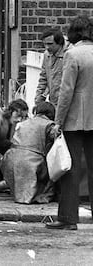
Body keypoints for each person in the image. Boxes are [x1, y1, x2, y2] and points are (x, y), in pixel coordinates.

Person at [46, 15, 93, 230]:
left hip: (75, 119)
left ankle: (68, 218)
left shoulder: (72, 55)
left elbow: (66, 92)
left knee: (71, 169)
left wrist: (58, 121)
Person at [1, 101, 58, 204]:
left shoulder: (22, 123)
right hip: (31, 160)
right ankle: (37, 196)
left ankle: (21, 194)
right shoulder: (50, 125)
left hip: (9, 158)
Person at [35, 27, 69, 106]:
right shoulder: (47, 55)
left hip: (68, 103)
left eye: (50, 44)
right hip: (53, 101)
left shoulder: (70, 54)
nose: (47, 47)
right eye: (45, 44)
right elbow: (43, 78)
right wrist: (38, 99)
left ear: (59, 43)